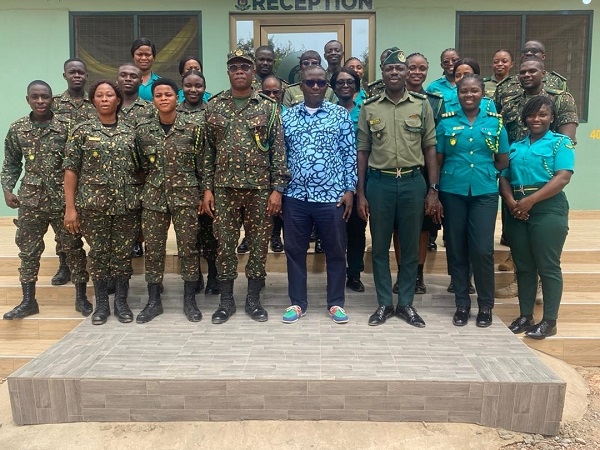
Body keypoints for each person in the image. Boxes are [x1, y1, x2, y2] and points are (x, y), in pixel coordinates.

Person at [202, 49, 289, 324]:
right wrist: (207, 189)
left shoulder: (268, 107)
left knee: (259, 244)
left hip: (259, 190)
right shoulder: (214, 106)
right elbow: (207, 153)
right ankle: (226, 301)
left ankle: (253, 300)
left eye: (245, 67)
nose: (239, 71)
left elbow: (278, 151)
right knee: (225, 245)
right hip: (224, 189)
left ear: (253, 72)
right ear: (228, 72)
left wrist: (277, 189)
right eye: (234, 67)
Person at [357, 49, 440, 327]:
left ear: (407, 74)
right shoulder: (370, 107)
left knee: (409, 248)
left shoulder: (421, 104)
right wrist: (361, 192)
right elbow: (363, 151)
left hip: (412, 183)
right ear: (382, 73)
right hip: (379, 183)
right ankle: (383, 303)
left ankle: (405, 303)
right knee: (379, 247)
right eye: (390, 68)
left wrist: (432, 189)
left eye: (400, 68)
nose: (395, 72)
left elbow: (430, 148)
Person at [1, 80, 92, 320]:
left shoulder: (67, 126)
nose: (40, 101)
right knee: (28, 250)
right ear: (28, 99)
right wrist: (7, 189)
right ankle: (28, 300)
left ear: (52, 99)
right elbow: (11, 161)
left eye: (45, 97)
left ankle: (81, 297)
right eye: (35, 97)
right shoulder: (18, 128)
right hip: (31, 199)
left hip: (63, 198)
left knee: (73, 248)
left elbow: (78, 163)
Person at [494, 57, 578, 301]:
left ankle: (547, 314)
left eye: (533, 71)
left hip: (544, 192)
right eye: (523, 71)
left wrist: (530, 200)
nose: (527, 75)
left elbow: (564, 162)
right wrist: (511, 200)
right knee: (522, 254)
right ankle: (524, 302)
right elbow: (504, 162)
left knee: (547, 261)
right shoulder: (510, 100)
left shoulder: (560, 100)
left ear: (543, 72)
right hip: (514, 186)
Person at [280, 65, 356, 324]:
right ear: (301, 86)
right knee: (295, 251)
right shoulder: (287, 117)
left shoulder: (339, 116)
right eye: (310, 83)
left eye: (321, 83)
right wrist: (279, 191)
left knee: (336, 251)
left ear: (327, 86)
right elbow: (281, 158)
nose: (315, 87)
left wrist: (350, 189)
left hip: (332, 197)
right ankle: (297, 303)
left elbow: (349, 154)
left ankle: (335, 303)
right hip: (296, 197)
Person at [63, 80, 142, 325]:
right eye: (100, 95)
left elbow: (140, 170)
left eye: (110, 95)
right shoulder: (82, 131)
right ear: (93, 100)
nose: (105, 99)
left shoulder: (131, 132)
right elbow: (71, 171)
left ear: (118, 100)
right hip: (93, 206)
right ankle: (101, 305)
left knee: (122, 255)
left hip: (126, 205)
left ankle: (121, 302)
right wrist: (70, 208)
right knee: (98, 254)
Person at [436, 74, 509, 327]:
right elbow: (439, 157)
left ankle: (486, 305)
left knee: (482, 249)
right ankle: (462, 304)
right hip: (453, 190)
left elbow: (502, 159)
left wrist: (486, 173)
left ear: (482, 94)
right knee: (456, 248)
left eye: (474, 91)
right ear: (458, 94)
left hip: (484, 191)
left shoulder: (496, 123)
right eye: (464, 91)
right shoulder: (446, 122)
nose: (469, 95)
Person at [500, 96, 574, 339]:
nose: (536, 119)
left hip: (547, 209)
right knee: (524, 266)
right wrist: (511, 201)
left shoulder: (560, 143)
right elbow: (504, 177)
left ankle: (550, 321)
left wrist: (530, 200)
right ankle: (525, 316)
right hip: (517, 209)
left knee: (548, 266)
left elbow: (562, 177)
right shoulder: (516, 146)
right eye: (531, 115)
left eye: (542, 114)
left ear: (552, 118)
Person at [135, 78, 203, 323]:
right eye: (158, 95)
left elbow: (202, 165)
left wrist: (205, 193)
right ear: (153, 100)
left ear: (178, 97)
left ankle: (190, 300)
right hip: (154, 198)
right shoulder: (143, 130)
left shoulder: (193, 128)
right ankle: (154, 302)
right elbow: (139, 166)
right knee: (153, 250)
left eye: (168, 94)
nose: (163, 98)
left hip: (186, 196)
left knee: (188, 248)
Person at [389, 52, 446, 295]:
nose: (417, 72)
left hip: (423, 172)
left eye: (422, 68)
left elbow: (436, 145)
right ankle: (403, 273)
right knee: (398, 227)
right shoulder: (387, 98)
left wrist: (435, 185)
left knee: (422, 228)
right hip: (396, 171)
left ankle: (419, 274)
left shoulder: (435, 102)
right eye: (412, 68)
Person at [50, 58, 95, 286]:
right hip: (60, 173)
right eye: (72, 72)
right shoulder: (53, 104)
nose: (77, 75)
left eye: (81, 72)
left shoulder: (95, 103)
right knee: (63, 223)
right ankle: (64, 264)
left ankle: (89, 264)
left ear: (86, 76)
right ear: (64, 75)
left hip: (90, 172)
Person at [176, 69, 220, 296]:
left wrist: (208, 186)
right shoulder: (174, 112)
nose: (193, 90)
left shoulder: (212, 111)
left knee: (211, 232)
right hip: (184, 183)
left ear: (204, 88)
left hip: (210, 181)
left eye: (198, 86)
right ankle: (196, 277)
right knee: (189, 235)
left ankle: (214, 274)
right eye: (189, 85)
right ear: (182, 88)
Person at [331, 67, 366, 293]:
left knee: (357, 227)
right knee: (335, 228)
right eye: (340, 82)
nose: (345, 85)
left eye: (350, 82)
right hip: (334, 179)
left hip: (362, 177)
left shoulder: (366, 111)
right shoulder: (328, 112)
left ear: (356, 86)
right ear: (333, 88)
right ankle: (336, 272)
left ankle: (354, 273)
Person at [494, 40, 568, 110]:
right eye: (525, 51)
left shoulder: (558, 82)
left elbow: (564, 111)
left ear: (543, 56)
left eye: (534, 51)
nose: (528, 53)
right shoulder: (505, 85)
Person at [260, 75, 286, 254]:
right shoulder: (257, 112)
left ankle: (277, 235)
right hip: (261, 168)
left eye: (275, 92)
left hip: (283, 166)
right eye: (267, 92)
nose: (271, 95)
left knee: (281, 202)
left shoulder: (290, 114)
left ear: (281, 93)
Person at [131, 37, 160, 101]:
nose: (143, 58)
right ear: (133, 57)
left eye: (147, 54)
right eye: (139, 54)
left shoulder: (160, 83)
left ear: (154, 57)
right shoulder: (125, 82)